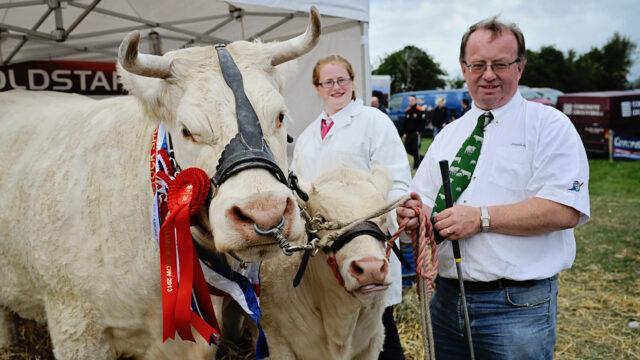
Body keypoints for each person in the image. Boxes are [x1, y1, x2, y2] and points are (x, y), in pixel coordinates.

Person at [396, 16, 590, 359]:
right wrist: (414, 216)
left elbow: (565, 209)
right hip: (447, 299)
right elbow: (424, 201)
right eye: (478, 65)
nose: (488, 74)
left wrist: (481, 218)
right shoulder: (449, 135)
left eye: (500, 64)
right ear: (463, 68)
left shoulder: (549, 125)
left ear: (520, 67)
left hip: (517, 307)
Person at [291, 54, 412, 360]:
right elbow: (299, 193)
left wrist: (393, 221)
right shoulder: (306, 137)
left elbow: (397, 181)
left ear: (353, 82)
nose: (336, 87)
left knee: (377, 334)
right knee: (330, 336)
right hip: (326, 258)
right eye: (328, 82)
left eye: (342, 79)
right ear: (318, 87)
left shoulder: (375, 122)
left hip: (366, 248)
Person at [401, 95, 426, 169]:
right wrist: (404, 133)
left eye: (412, 100)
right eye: (409, 100)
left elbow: (423, 122)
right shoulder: (407, 110)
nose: (411, 102)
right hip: (408, 133)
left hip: (416, 133)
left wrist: (419, 131)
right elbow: (405, 123)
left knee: (415, 149)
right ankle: (422, 158)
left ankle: (416, 165)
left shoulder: (420, 110)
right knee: (407, 148)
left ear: (415, 101)